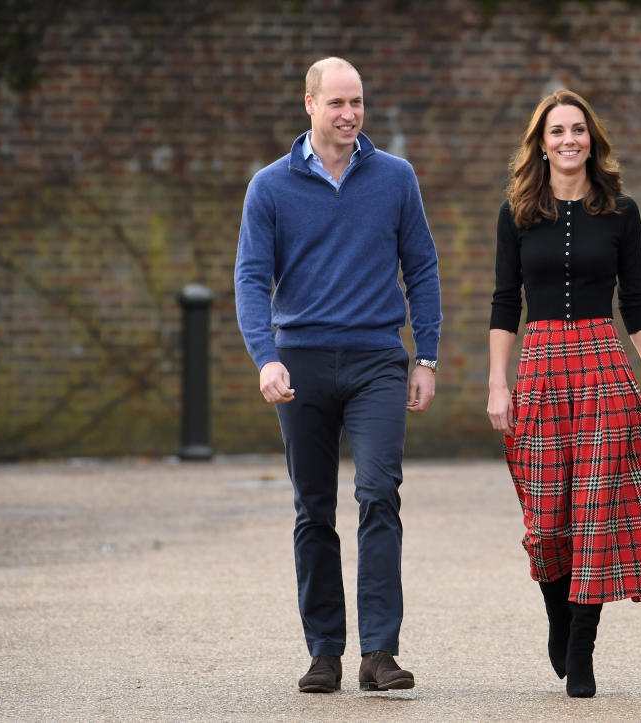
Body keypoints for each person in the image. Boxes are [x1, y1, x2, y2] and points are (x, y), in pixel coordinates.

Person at [487, 89, 641, 698]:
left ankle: (581, 647)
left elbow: (635, 300)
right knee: (545, 513)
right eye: (556, 131)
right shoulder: (516, 212)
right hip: (539, 369)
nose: (568, 141)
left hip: (602, 369)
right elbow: (506, 302)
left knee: (594, 510)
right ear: (540, 142)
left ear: (592, 139)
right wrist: (496, 384)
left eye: (578, 130)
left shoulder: (620, 211)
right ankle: (559, 617)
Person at [234, 57, 442, 693]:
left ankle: (380, 652)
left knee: (379, 494)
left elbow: (423, 269)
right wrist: (266, 357)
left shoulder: (395, 178)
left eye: (358, 102)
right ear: (309, 105)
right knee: (313, 508)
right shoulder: (269, 187)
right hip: (301, 363)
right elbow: (249, 278)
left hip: (378, 360)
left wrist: (426, 357)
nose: (350, 114)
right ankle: (324, 651)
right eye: (337, 103)